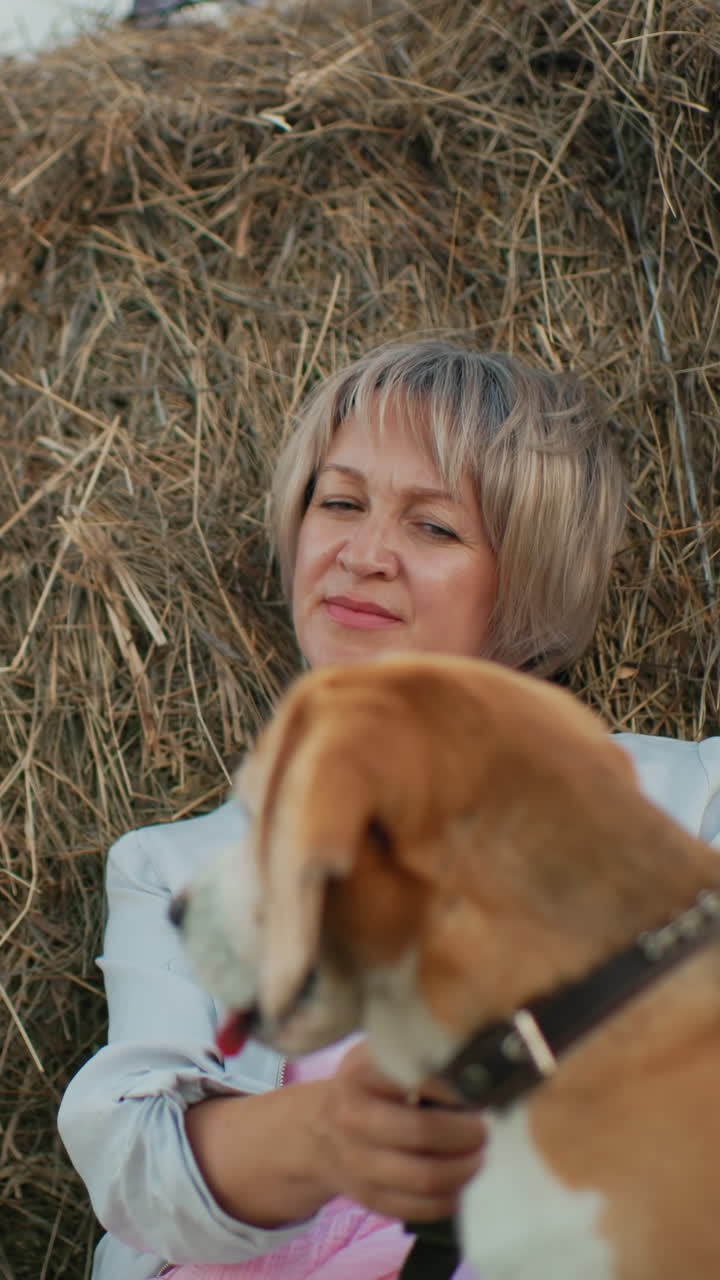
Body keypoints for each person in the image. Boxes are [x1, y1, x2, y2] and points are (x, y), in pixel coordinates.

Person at [58, 339, 720, 1280]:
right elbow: (138, 1169)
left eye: (434, 528)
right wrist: (333, 1132)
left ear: (526, 577)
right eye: (340, 503)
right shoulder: (179, 869)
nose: (361, 555)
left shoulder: (690, 802)